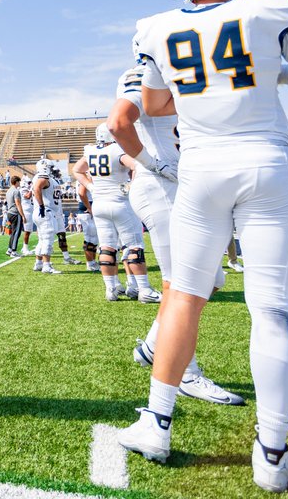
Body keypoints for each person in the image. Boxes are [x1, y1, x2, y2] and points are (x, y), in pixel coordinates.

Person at [116, 0, 288, 492]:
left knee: (184, 295)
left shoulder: (155, 27)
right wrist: (272, 70)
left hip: (200, 168)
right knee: (271, 308)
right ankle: (272, 453)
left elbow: (154, 105)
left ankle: (156, 424)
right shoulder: (268, 9)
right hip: (266, 163)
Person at [109, 63, 247, 405]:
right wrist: (154, 164)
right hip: (160, 187)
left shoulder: (175, 72)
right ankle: (186, 374)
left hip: (180, 187)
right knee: (183, 283)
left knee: (213, 280)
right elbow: (119, 121)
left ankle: (155, 345)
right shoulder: (144, 74)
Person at [75, 124, 159, 301]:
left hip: (99, 204)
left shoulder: (90, 151)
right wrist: (130, 186)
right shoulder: (116, 149)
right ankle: (143, 289)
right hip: (119, 202)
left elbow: (77, 170)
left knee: (106, 246)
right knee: (134, 246)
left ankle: (111, 289)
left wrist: (91, 186)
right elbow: (136, 166)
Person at [30, 158, 65, 274]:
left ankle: (38, 263)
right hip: (46, 211)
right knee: (48, 239)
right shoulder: (42, 177)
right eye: (51, 167)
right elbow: (37, 188)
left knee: (42, 239)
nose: (52, 170)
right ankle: (46, 265)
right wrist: (41, 206)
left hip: (44, 211)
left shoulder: (48, 178)